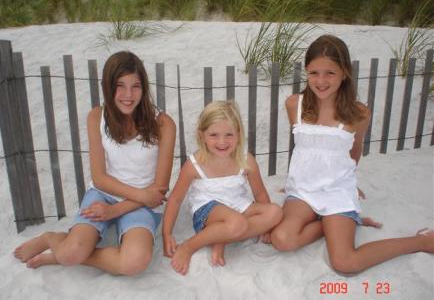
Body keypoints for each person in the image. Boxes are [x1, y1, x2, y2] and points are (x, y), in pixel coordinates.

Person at [265, 35, 434, 274]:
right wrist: (296, 180)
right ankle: (332, 224)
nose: (321, 81)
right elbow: (305, 148)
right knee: (282, 239)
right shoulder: (295, 104)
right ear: (306, 72)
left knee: (345, 263)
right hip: (302, 191)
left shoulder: (358, 113)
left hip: (336, 192)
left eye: (330, 73)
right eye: (314, 73)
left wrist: (348, 183)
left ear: (344, 72)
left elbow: (354, 152)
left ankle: (421, 241)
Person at [14, 51, 176, 275]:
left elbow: (159, 189)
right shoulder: (96, 117)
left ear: (144, 88)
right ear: (108, 87)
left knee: (135, 262)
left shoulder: (164, 123)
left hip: (142, 204)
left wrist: (117, 210)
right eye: (120, 85)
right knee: (71, 252)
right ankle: (52, 239)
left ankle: (58, 256)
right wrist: (127, 200)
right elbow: (99, 177)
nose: (128, 95)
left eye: (135, 86)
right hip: (106, 193)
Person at [162, 100, 282, 275]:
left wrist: (267, 226)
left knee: (275, 212)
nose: (222, 141)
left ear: (239, 134)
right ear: (201, 135)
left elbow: (260, 193)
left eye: (229, 135)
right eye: (214, 135)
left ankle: (222, 239)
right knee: (237, 223)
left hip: (239, 206)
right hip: (208, 210)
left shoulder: (246, 160)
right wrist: (166, 234)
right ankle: (190, 245)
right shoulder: (194, 164)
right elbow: (175, 199)